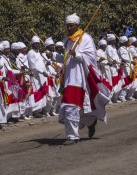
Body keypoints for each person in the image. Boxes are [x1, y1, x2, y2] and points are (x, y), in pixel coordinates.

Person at [59, 13, 110, 145]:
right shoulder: (67, 40)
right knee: (74, 106)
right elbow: (66, 58)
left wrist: (77, 54)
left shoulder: (85, 38)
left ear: (77, 25)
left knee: (72, 106)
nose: (69, 28)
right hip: (69, 77)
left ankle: (72, 136)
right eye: (67, 26)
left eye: (71, 26)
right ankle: (90, 122)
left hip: (80, 78)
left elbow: (91, 58)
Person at [26, 36, 49, 117]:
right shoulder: (30, 53)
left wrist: (45, 68)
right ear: (32, 45)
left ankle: (40, 110)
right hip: (36, 76)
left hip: (42, 76)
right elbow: (33, 65)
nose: (36, 45)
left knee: (42, 93)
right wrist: (42, 72)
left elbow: (40, 64)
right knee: (36, 93)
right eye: (35, 44)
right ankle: (35, 111)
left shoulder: (39, 52)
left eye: (38, 44)